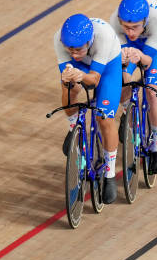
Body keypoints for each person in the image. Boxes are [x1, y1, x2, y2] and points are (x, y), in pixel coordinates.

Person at [53, 14, 123, 204]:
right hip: (80, 68)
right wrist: (70, 77)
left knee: (104, 118)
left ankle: (109, 174)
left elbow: (93, 80)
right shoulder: (58, 39)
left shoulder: (103, 37)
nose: (74, 54)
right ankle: (73, 126)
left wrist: (81, 75)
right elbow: (70, 78)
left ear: (90, 41)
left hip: (107, 67)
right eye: (70, 50)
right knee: (67, 87)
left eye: (79, 49)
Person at [109, 0, 157, 175]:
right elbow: (119, 62)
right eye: (126, 27)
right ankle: (129, 111)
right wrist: (125, 62)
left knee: (153, 92)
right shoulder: (114, 22)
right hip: (129, 49)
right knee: (120, 82)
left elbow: (148, 61)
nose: (130, 32)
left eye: (135, 27)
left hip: (155, 50)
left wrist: (139, 56)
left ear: (145, 21)